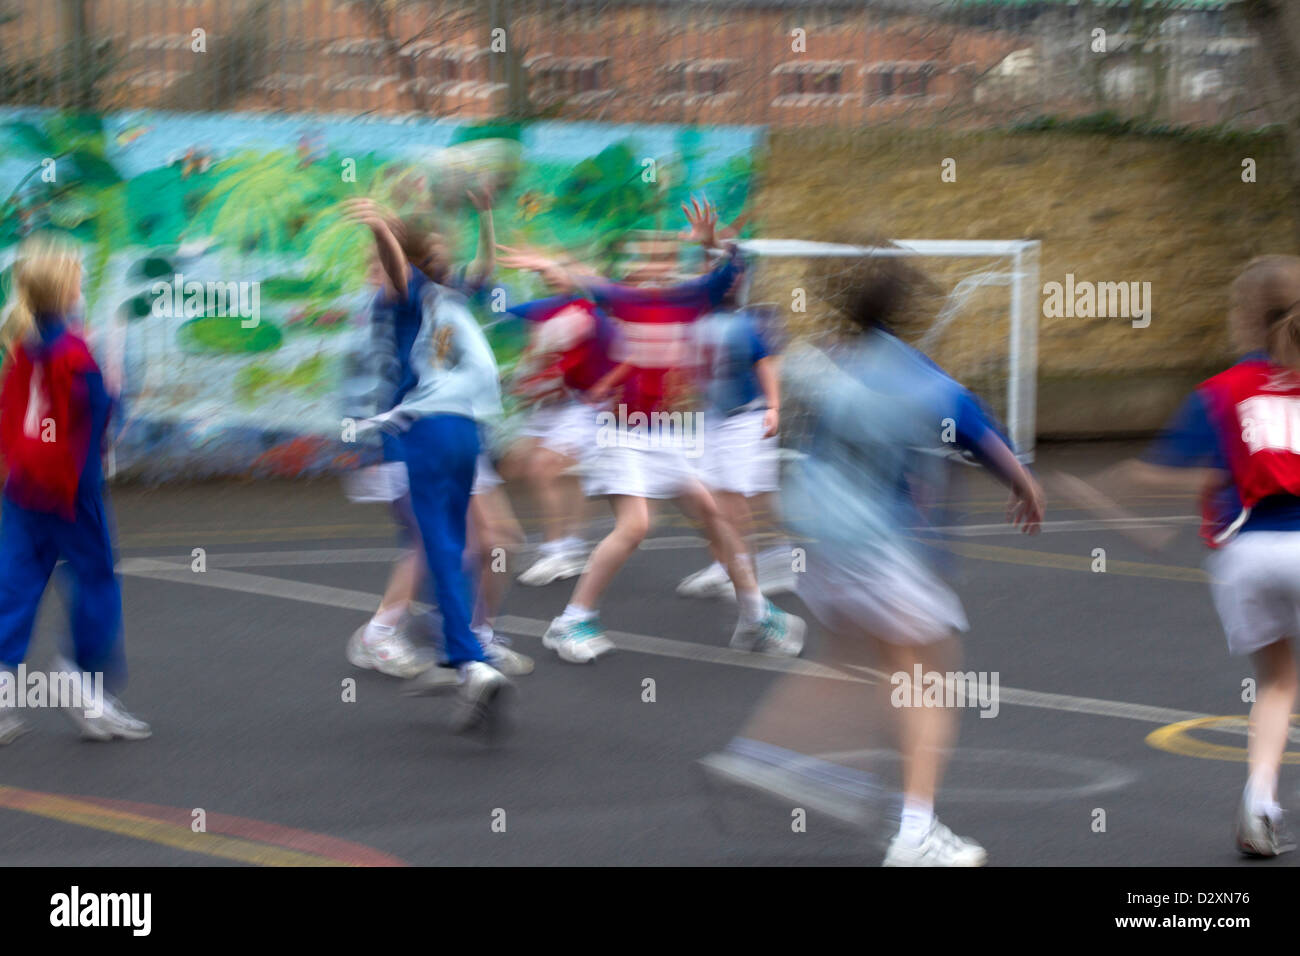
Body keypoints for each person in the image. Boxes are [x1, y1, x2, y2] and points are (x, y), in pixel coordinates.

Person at [700, 248, 1044, 866]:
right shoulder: (924, 380)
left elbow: (803, 404)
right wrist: (1025, 485)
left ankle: (761, 756)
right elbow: (984, 439)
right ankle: (915, 833)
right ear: (906, 310)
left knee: (852, 659)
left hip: (820, 542)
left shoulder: (820, 359)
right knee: (932, 675)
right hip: (879, 545)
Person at [498, 199, 806, 664]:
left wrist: (713, 242)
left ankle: (755, 615)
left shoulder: (689, 298)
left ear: (675, 265)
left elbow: (731, 270)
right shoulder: (619, 298)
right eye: (644, 257)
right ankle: (571, 621)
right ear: (630, 267)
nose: (654, 266)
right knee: (636, 525)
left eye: (663, 257)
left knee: (715, 517)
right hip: (623, 430)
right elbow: (574, 282)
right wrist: (548, 265)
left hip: (669, 430)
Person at [1062, 256, 1300, 857]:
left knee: (1276, 684)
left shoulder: (1220, 392)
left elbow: (1163, 473)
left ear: (1246, 318)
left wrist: (1107, 487)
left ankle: (1260, 800)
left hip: (1245, 558)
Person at [341, 196, 531, 681]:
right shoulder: (399, 299)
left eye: (449, 249)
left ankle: (473, 636)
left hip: (460, 432)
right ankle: (380, 633)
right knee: (435, 544)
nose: (448, 256)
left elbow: (483, 268)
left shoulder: (450, 297)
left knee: (498, 542)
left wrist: (485, 215)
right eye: (437, 250)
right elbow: (396, 269)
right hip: (411, 437)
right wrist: (382, 232)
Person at [0, 235, 151, 744]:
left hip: (24, 486)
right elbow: (98, 417)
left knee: (17, 581)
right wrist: (114, 396)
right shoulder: (73, 352)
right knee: (97, 580)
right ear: (67, 290)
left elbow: (19, 415)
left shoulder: (25, 343)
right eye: (79, 278)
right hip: (69, 490)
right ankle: (80, 681)